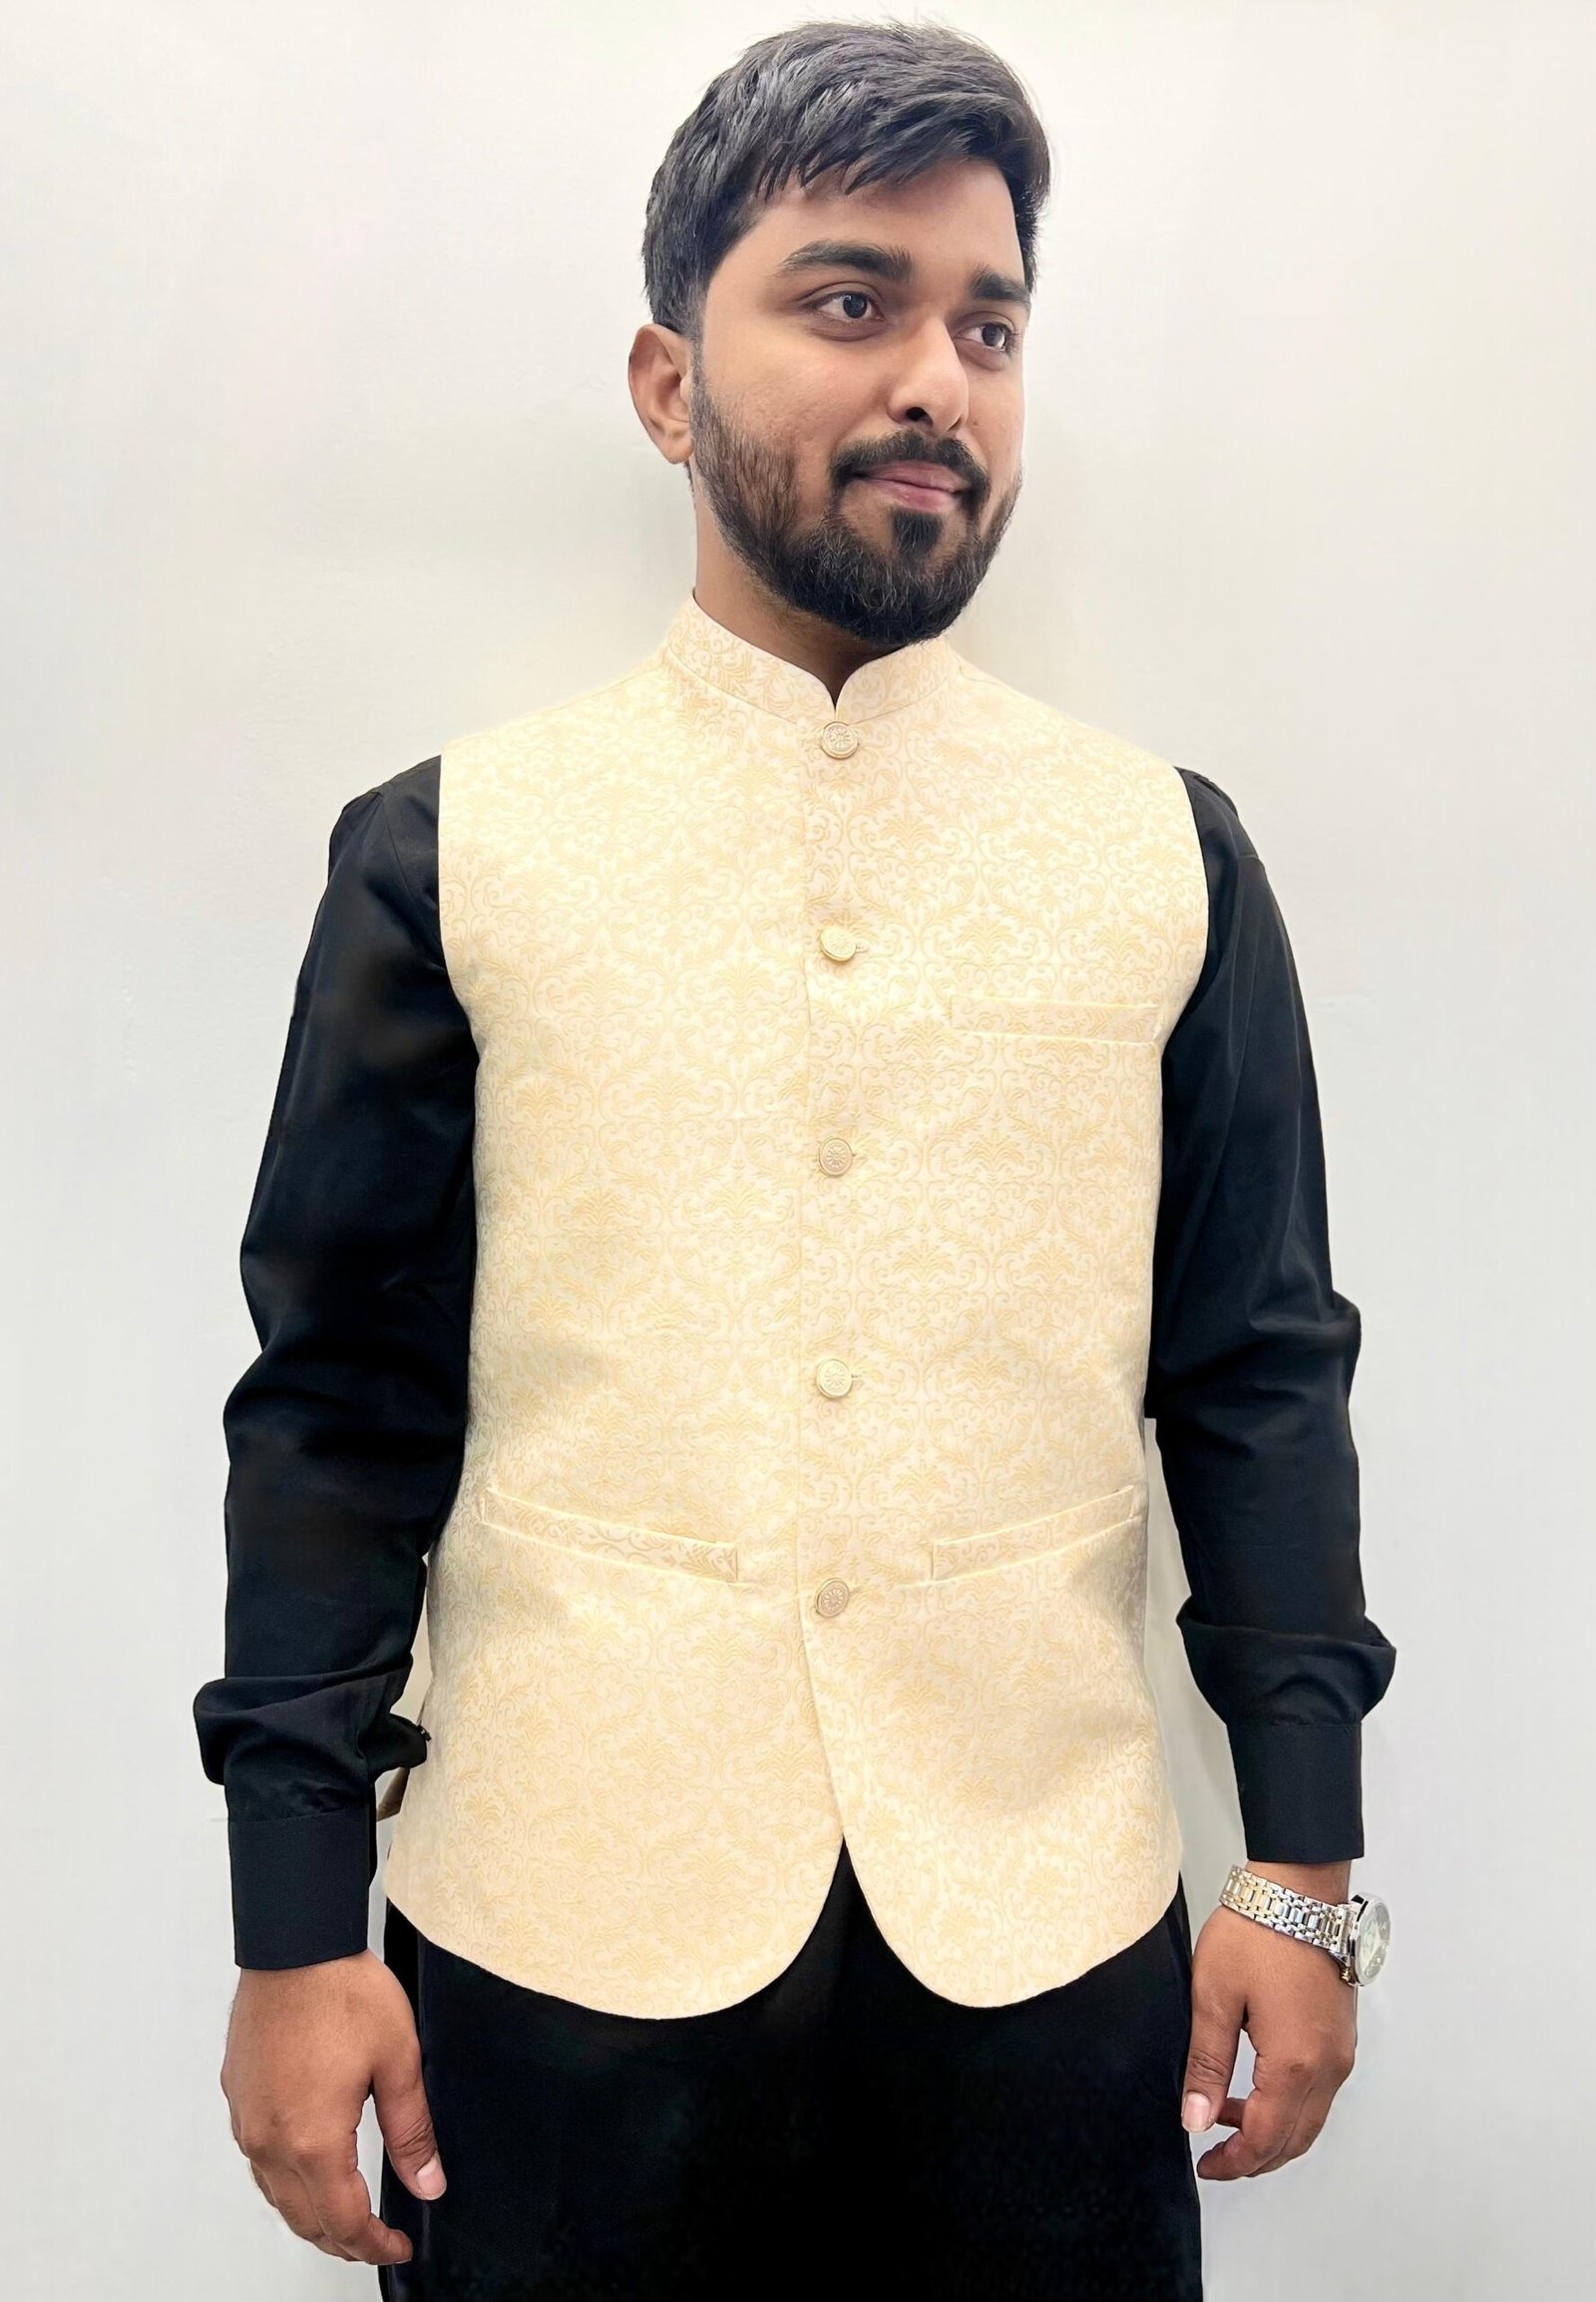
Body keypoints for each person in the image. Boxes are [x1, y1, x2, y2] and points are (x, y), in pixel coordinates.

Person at [194, 20, 1396, 2298]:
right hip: (551, 1962)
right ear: (668, 385)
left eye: (988, 326)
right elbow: (338, 1411)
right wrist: (290, 1925)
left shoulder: (1165, 857)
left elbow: (1256, 1375)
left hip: (1048, 1967)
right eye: (851, 302)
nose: (934, 378)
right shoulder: (452, 853)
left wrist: (1303, 1866)